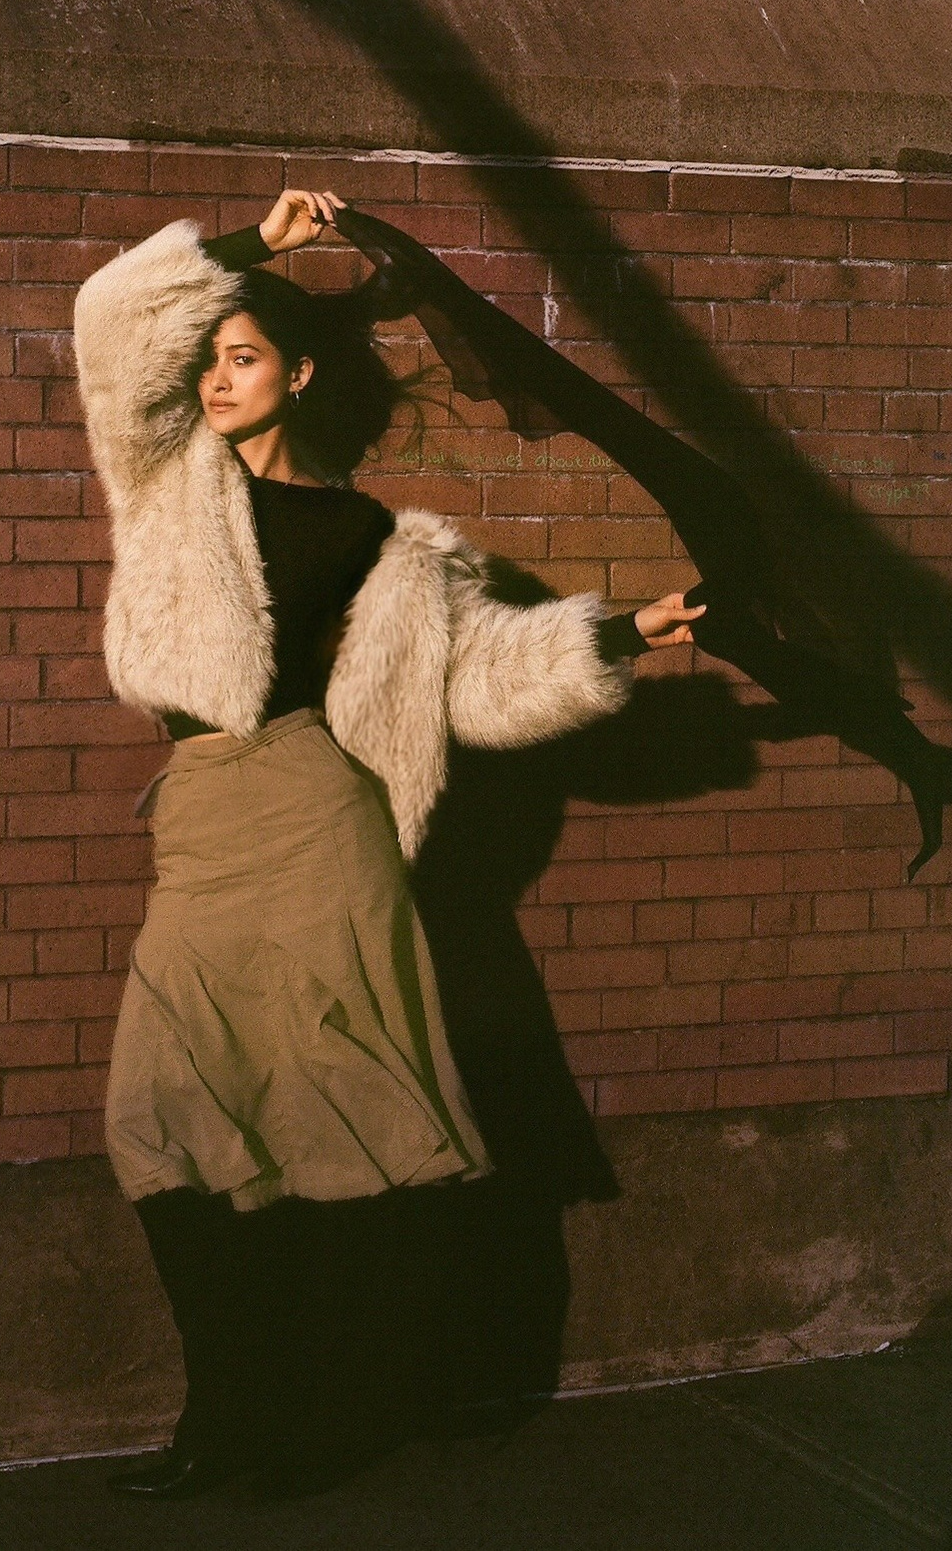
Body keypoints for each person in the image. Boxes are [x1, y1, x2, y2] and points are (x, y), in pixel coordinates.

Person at [73, 188, 703, 1496]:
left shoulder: (381, 541)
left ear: (299, 375)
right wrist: (253, 248)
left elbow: (481, 675)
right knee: (156, 1115)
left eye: (244, 356)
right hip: (205, 825)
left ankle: (290, 1414)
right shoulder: (166, 480)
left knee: (340, 1117)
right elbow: (111, 317)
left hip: (325, 822)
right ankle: (244, 1404)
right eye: (208, 358)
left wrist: (625, 633)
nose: (217, 378)